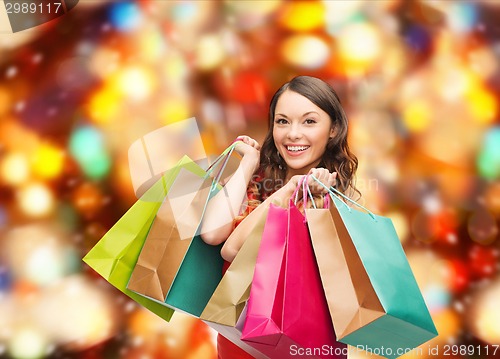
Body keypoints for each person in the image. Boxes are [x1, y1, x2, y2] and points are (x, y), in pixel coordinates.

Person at [201, 75, 359, 358]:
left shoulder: (332, 202)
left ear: (333, 129)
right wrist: (248, 165)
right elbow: (213, 234)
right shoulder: (260, 181)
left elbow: (233, 249)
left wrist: (291, 191)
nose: (292, 134)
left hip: (295, 344)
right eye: (282, 121)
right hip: (238, 338)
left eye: (309, 121)